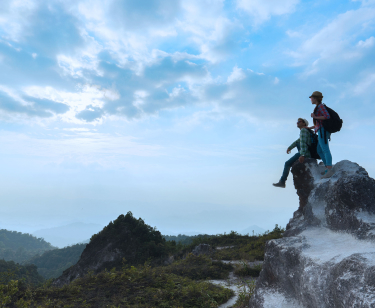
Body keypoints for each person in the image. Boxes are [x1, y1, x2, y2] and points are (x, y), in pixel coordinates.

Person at [273, 118, 311, 188]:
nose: (297, 123)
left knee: (287, 163)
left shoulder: (303, 130)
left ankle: (282, 181)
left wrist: (302, 155)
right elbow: (297, 141)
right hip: (305, 152)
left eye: (299, 121)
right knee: (297, 143)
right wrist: (289, 147)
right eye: (297, 121)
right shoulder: (305, 131)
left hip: (304, 152)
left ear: (304, 123)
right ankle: (282, 182)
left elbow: (303, 144)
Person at [307, 91, 334, 179]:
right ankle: (327, 168)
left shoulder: (320, 106)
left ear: (315, 98)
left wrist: (315, 117)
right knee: (319, 149)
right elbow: (318, 123)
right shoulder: (317, 107)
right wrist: (310, 128)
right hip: (320, 130)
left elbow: (327, 116)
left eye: (311, 98)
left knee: (325, 149)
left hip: (323, 131)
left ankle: (329, 169)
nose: (310, 99)